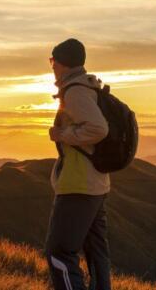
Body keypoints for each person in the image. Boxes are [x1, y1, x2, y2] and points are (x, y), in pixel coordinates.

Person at [44, 38, 112, 290]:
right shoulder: (88, 86)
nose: (52, 66)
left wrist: (61, 135)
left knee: (59, 253)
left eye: (53, 60)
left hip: (78, 186)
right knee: (96, 254)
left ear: (63, 62)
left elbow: (98, 129)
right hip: (95, 182)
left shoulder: (75, 91)